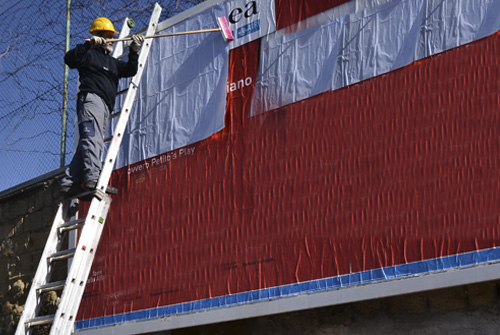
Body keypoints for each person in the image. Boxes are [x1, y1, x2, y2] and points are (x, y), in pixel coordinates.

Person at [60, 17, 145, 198]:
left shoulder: (112, 62)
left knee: (89, 142)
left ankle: (69, 183)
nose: (112, 40)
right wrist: (89, 45)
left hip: (105, 106)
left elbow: (131, 70)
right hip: (91, 101)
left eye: (113, 36)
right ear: (98, 36)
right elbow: (70, 59)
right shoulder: (89, 54)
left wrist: (134, 50)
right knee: (92, 139)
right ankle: (93, 179)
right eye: (108, 36)